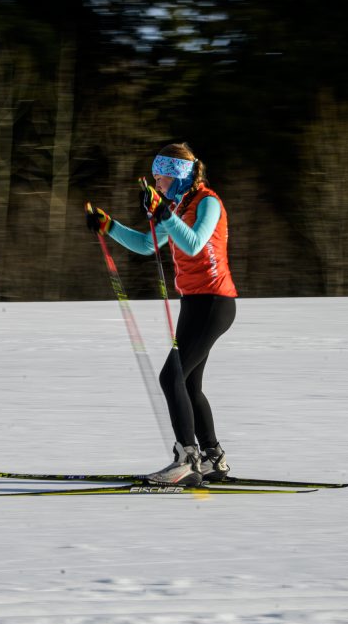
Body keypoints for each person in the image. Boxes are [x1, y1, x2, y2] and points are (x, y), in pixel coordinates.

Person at [85, 143, 237, 485]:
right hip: (194, 304)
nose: (157, 184)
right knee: (189, 384)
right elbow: (146, 245)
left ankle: (186, 459)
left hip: (214, 303)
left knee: (171, 377)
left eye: (160, 177)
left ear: (178, 175)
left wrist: (164, 213)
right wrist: (109, 226)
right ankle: (213, 459)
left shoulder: (208, 202)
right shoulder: (178, 207)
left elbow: (195, 243)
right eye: (155, 178)